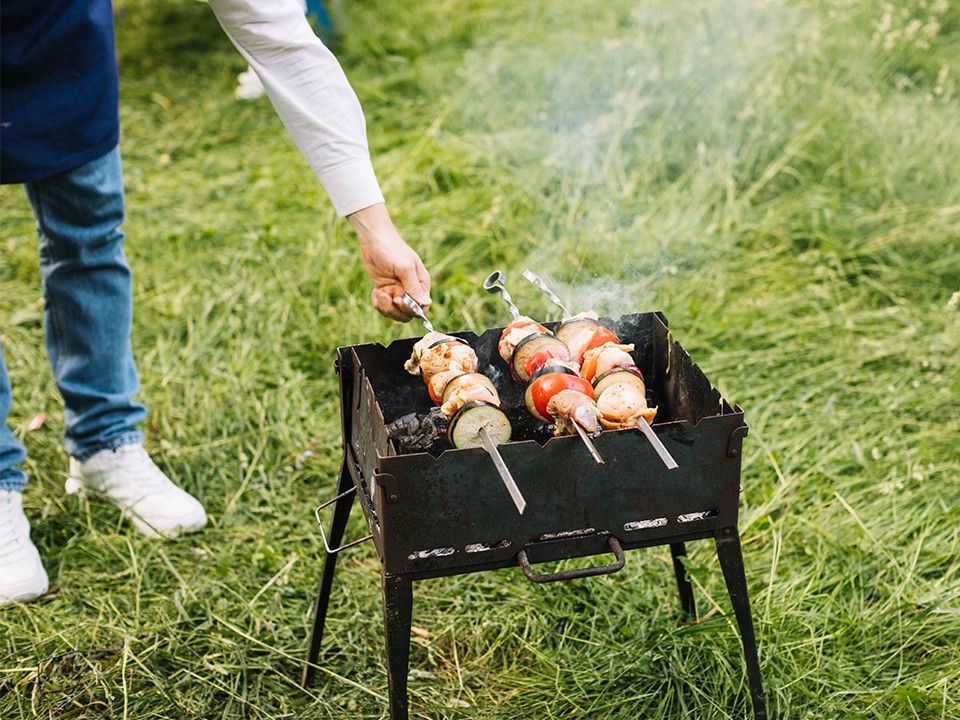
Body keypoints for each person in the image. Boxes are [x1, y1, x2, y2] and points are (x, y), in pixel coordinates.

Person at [0, 0, 431, 605]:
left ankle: (104, 444)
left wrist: (374, 227)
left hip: (61, 40)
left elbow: (281, 39)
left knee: (89, 235)